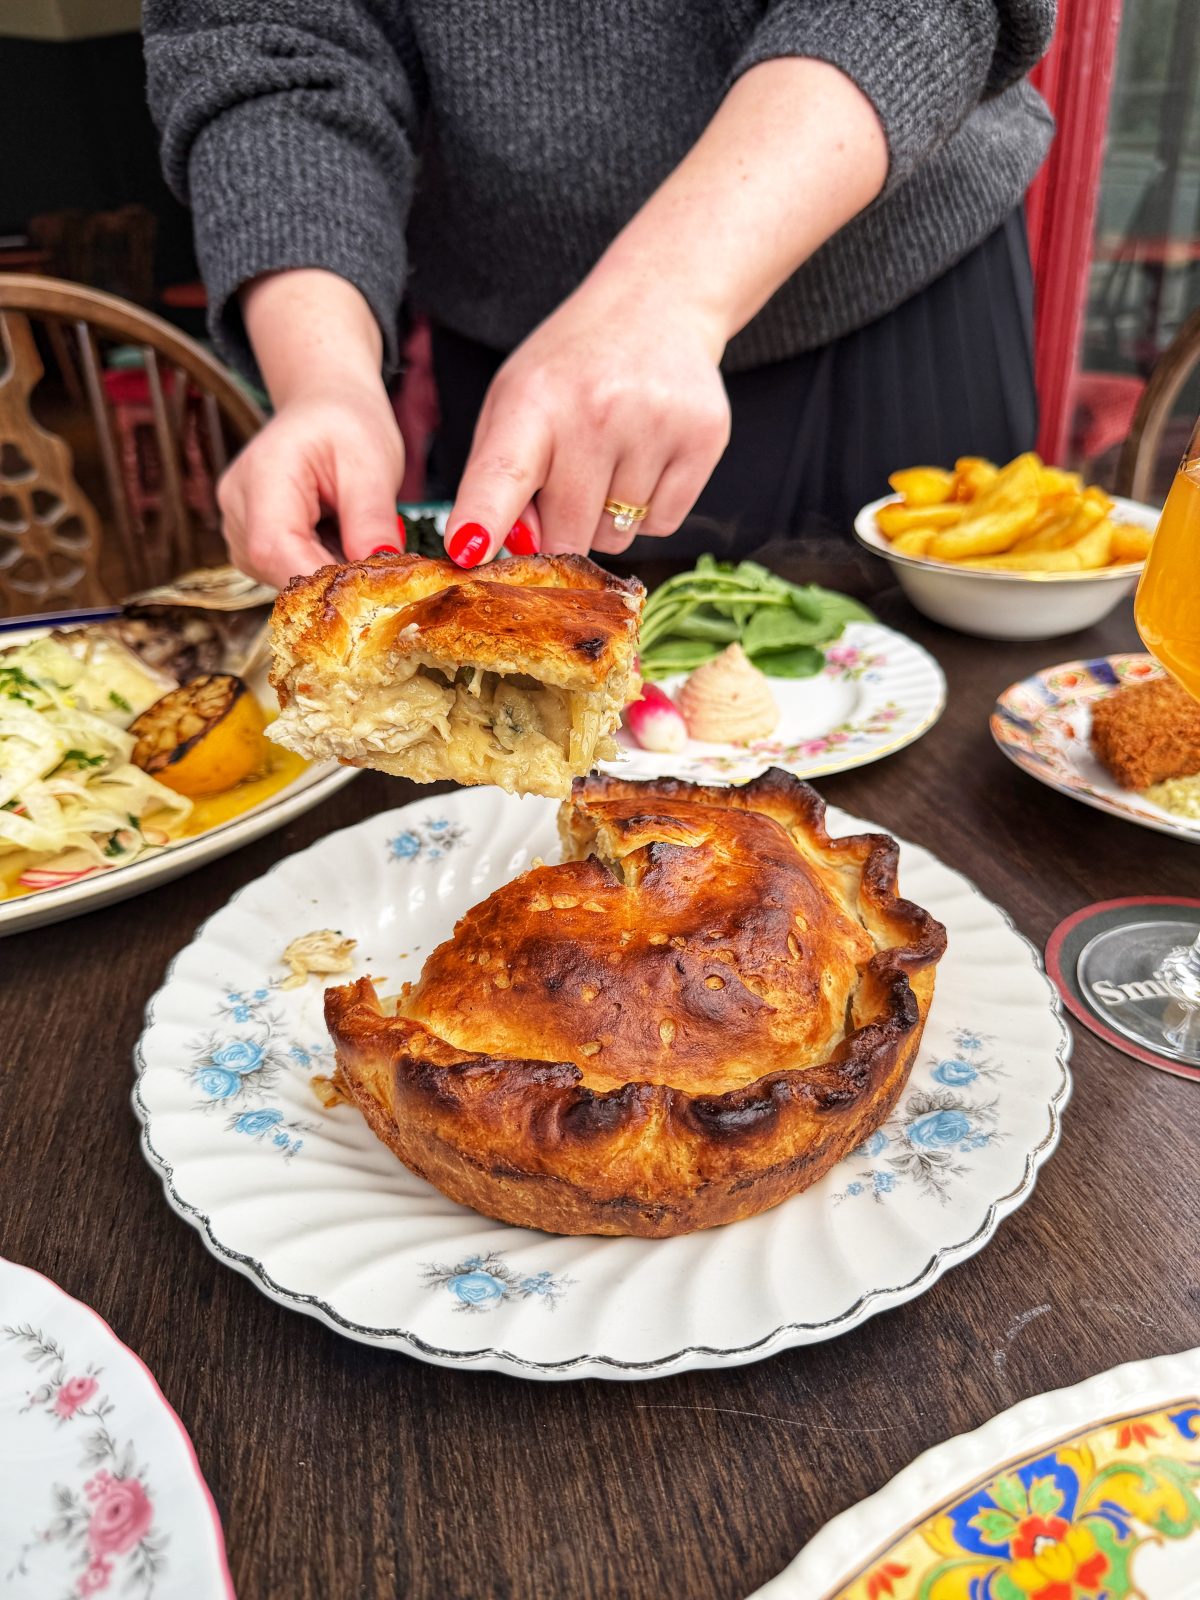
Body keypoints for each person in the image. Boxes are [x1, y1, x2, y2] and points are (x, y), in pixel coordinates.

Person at [144, 2, 1055, 585]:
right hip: (517, 367)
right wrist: (325, 379)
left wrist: (670, 290)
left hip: (888, 294)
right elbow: (269, 39)